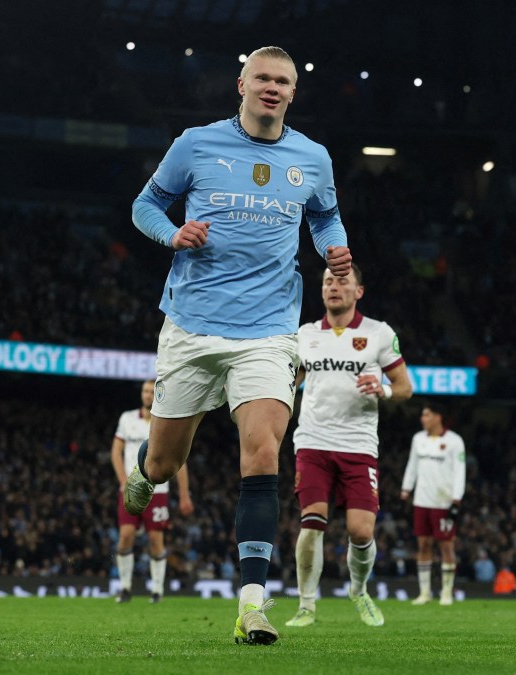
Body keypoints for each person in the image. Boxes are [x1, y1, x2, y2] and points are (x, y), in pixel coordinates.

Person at [128, 45, 352, 645]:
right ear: (241, 85)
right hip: (193, 328)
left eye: (283, 81)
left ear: (293, 92)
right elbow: (144, 205)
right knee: (165, 462)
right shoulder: (197, 143)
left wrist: (335, 245)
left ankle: (253, 603)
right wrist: (173, 233)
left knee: (261, 455)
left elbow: (326, 217)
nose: (272, 88)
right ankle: (146, 469)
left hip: (269, 332)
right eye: (263, 79)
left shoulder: (313, 157)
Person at [284, 264, 412, 629]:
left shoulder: (379, 334)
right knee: (312, 522)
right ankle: (306, 606)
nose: (333, 287)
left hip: (358, 445)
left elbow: (405, 387)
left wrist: (383, 389)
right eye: (327, 281)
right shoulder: (304, 335)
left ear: (359, 291)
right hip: (312, 441)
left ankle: (359, 590)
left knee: (361, 531)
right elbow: (290, 383)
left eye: (342, 281)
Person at [110, 379, 193, 603]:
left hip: (158, 492)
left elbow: (179, 461)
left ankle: (157, 590)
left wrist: (184, 494)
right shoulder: (127, 419)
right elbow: (116, 452)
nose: (147, 395)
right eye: (144, 391)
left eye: (151, 391)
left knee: (156, 540)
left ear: (158, 393)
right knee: (125, 537)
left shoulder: (165, 423)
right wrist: (123, 480)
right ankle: (125, 588)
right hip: (131, 489)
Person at [400, 400, 466, 606]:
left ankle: (446, 592)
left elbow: (459, 471)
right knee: (423, 545)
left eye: (427, 414)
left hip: (444, 501)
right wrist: (406, 488)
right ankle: (425, 592)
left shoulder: (454, 441)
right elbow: (412, 464)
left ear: (438, 417)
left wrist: (457, 497)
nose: (423, 418)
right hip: (422, 500)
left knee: (446, 546)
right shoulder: (418, 439)